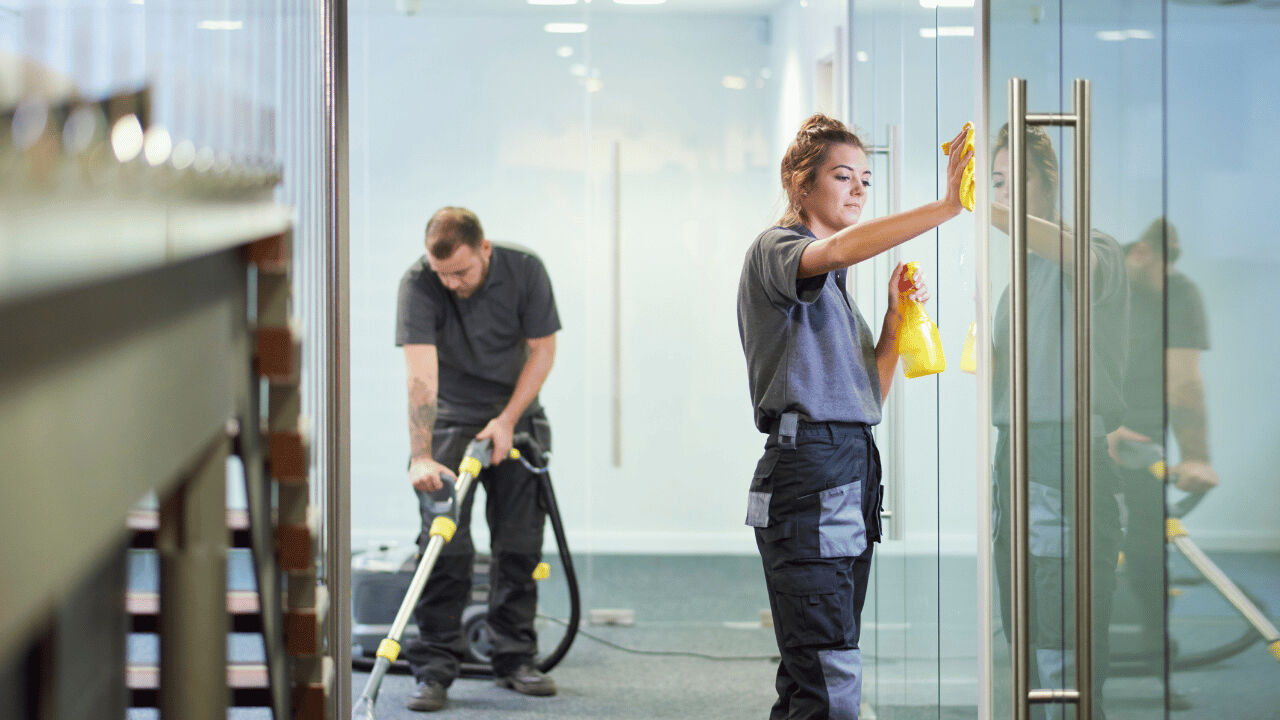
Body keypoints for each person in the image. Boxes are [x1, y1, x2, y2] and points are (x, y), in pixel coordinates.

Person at [737, 113, 972, 720]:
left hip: (847, 461)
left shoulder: (836, 285)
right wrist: (946, 206)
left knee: (818, 663)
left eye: (866, 179)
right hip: (810, 470)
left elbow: (867, 399)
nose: (859, 190)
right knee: (829, 668)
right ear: (800, 183)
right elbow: (837, 248)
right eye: (843, 176)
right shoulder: (778, 250)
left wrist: (893, 323)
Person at [395, 206, 561, 712]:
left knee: (520, 546)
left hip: (516, 419)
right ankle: (434, 667)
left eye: (461, 272)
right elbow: (421, 377)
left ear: (484, 250)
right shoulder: (419, 283)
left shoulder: (525, 270)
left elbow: (542, 351)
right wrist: (421, 456)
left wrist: (508, 420)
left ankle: (514, 658)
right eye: (442, 273)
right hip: (450, 421)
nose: (451, 283)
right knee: (443, 547)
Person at [989, 125, 1130, 719]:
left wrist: (990, 213)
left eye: (1014, 180)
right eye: (995, 183)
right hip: (1015, 457)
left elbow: (1080, 260)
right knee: (1024, 625)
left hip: (1062, 456)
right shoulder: (1018, 277)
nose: (1001, 195)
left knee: (1061, 634)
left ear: (1048, 182)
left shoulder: (1093, 247)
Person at [1108, 218, 1216, 706]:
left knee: (1149, 555)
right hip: (1086, 433)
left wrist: (1195, 458)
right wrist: (1099, 427)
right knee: (1071, 551)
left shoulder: (1180, 292)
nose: (1164, 281)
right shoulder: (1100, 277)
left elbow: (1185, 383)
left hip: (1143, 444)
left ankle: (1158, 670)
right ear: (1140, 254)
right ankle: (1063, 668)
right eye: (1159, 269)